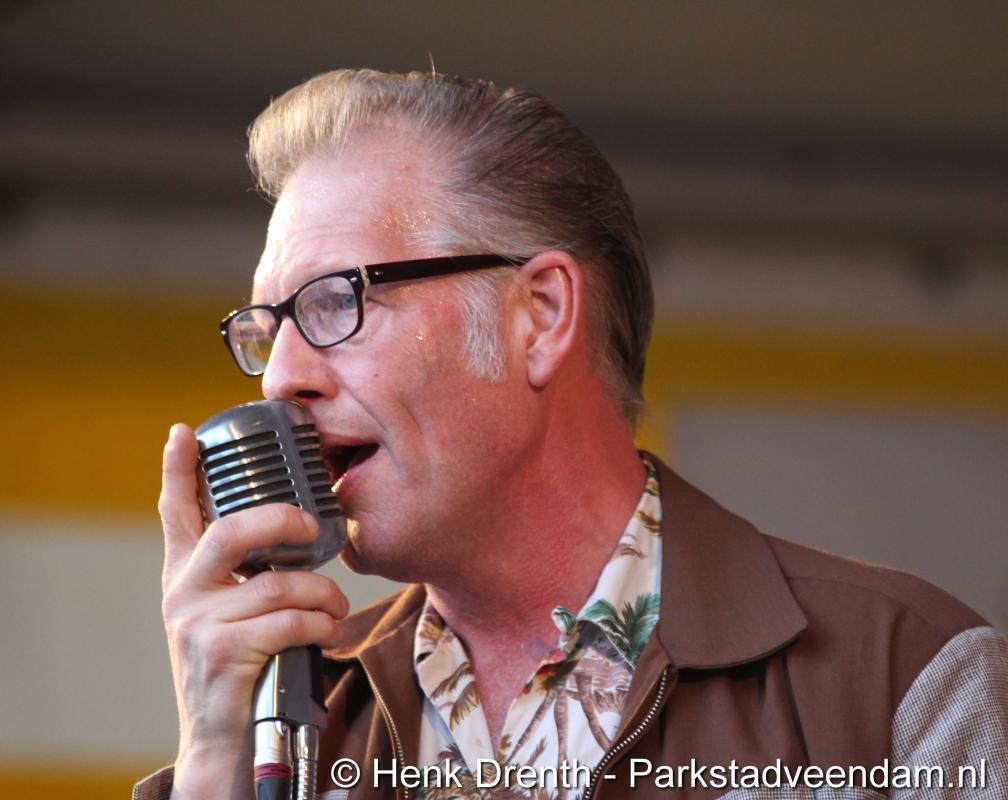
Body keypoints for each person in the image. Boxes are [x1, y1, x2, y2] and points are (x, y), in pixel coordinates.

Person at [136, 69, 1007, 800]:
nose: (281, 378)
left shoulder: (901, 678)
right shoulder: (295, 732)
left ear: (542, 315)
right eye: (268, 330)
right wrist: (213, 762)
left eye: (336, 302)